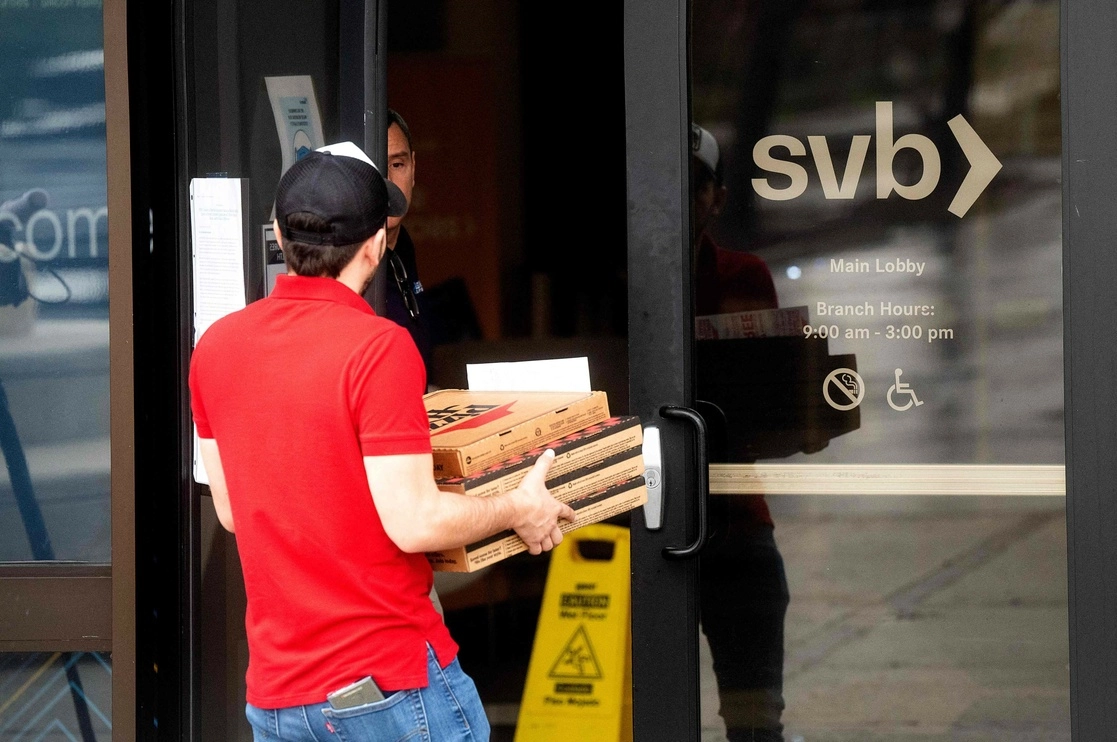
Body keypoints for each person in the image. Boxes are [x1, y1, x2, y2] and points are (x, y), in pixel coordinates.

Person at [188, 141, 575, 741]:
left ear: (280, 235)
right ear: (374, 245)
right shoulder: (379, 349)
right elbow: (415, 523)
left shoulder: (215, 347)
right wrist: (518, 508)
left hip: (278, 697)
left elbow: (234, 512)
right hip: (387, 686)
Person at [692, 123, 791, 742]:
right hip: (639, 520)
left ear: (717, 199)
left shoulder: (743, 275)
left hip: (733, 517)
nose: (682, 198)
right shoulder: (617, 281)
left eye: (696, 185)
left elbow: (770, 404)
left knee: (755, 720)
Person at [363, 109, 434, 377]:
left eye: (397, 165)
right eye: (375, 170)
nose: (388, 183)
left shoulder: (402, 245)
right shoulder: (346, 259)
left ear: (413, 168)